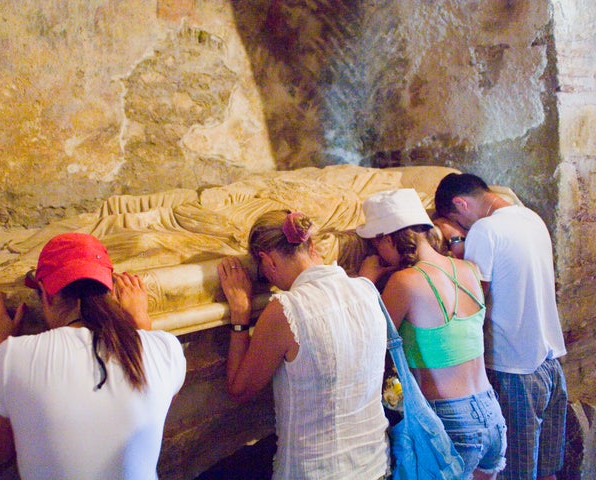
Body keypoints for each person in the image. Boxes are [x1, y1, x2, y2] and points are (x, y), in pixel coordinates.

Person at [0, 232, 187, 480]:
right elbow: (153, 405)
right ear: (110, 292)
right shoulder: (166, 348)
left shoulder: (14, 356)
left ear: (48, 295)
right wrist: (140, 325)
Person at [217, 209, 390, 479]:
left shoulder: (287, 309)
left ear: (267, 261)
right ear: (311, 245)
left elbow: (239, 389)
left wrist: (240, 314)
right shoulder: (365, 289)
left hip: (319, 471)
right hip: (374, 463)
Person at [356, 188, 507, 479]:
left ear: (388, 239)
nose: (378, 254)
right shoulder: (468, 270)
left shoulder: (405, 282)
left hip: (450, 420)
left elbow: (367, 336)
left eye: (377, 245)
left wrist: (367, 280)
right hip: (490, 413)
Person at [435, 173, 568, 480]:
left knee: (516, 473)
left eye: (459, 222)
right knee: (547, 471)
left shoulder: (485, 228)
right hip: (550, 364)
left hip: (514, 366)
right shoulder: (532, 218)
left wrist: (455, 242)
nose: (463, 229)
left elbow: (472, 297)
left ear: (460, 203)